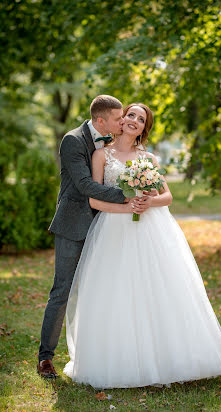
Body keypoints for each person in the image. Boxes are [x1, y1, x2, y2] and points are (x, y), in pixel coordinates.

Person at [63, 103, 221, 389]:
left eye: (140, 119)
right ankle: (120, 359)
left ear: (144, 128)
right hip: (112, 232)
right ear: (121, 120)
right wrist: (127, 206)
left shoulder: (149, 158)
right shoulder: (100, 155)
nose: (133, 120)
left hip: (151, 230)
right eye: (130, 115)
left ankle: (168, 358)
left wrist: (147, 203)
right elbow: (94, 200)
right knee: (116, 292)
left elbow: (166, 196)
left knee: (157, 289)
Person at [37, 95, 151, 378]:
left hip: (109, 228)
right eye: (118, 118)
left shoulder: (112, 142)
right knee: (62, 291)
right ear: (102, 121)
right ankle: (45, 358)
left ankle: (105, 352)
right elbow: (86, 185)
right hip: (74, 225)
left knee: (106, 291)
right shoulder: (73, 140)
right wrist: (129, 195)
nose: (123, 120)